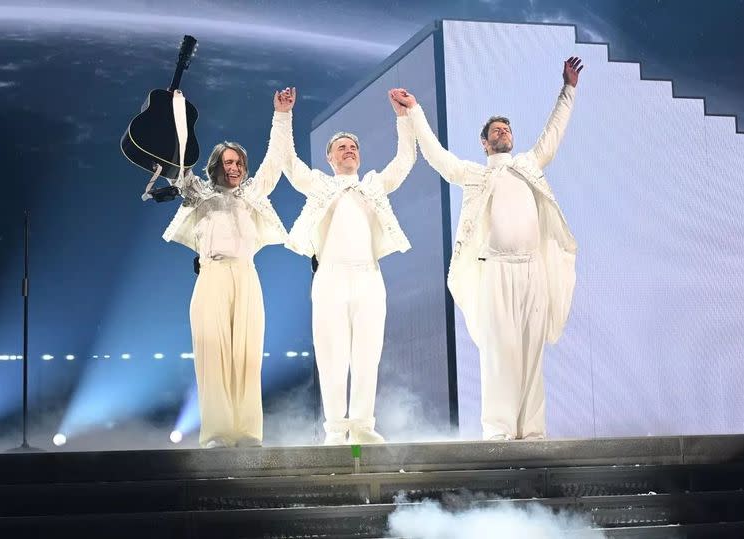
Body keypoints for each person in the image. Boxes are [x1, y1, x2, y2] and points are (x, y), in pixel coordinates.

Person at [392, 57, 584, 441]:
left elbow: (553, 133)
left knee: (531, 352)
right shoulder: (476, 175)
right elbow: (437, 157)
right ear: (485, 142)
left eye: (507, 128)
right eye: (496, 130)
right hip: (496, 270)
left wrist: (568, 89)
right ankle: (497, 431)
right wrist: (414, 113)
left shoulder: (529, 165)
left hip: (532, 271)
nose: (504, 132)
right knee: (499, 353)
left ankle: (531, 432)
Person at [276, 87, 416, 445]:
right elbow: (289, 163)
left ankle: (363, 426)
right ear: (330, 159)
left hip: (368, 277)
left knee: (367, 355)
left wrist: (404, 118)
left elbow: (404, 163)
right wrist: (284, 116)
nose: (349, 151)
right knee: (332, 355)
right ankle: (337, 430)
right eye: (341, 147)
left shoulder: (373, 186)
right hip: (330, 278)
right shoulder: (320, 185)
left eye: (353, 147)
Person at [161, 91, 291, 448]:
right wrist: (176, 112)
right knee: (213, 355)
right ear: (216, 165)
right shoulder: (199, 196)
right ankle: (217, 432)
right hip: (212, 278)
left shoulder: (252, 196)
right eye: (227, 163)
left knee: (247, 357)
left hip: (247, 277)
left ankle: (247, 432)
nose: (234, 168)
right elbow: (179, 164)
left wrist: (282, 115)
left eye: (239, 164)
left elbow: (276, 162)